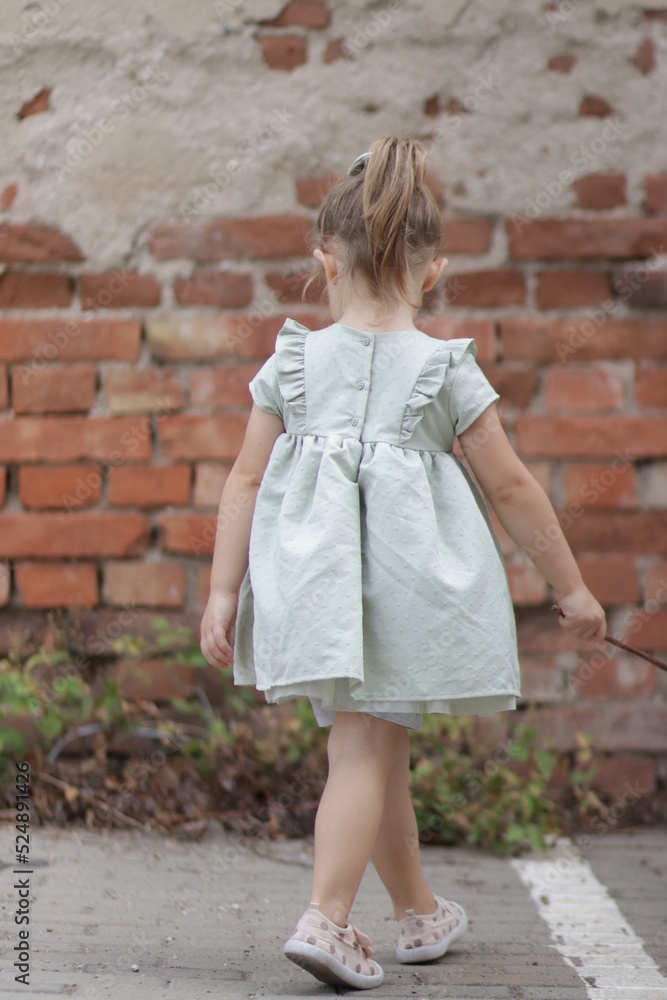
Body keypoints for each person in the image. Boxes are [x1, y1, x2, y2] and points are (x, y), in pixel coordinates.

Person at [200, 135, 606, 990]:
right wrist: (568, 586)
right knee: (366, 748)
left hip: (315, 589)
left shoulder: (293, 358)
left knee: (373, 746)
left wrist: (222, 590)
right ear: (431, 272)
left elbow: (243, 478)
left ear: (324, 262)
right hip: (409, 595)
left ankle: (418, 910)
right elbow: (514, 488)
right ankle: (327, 919)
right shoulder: (444, 367)